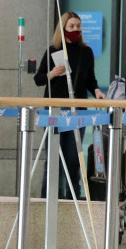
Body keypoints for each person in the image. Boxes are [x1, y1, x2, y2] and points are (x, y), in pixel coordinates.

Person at [34, 11, 104, 199]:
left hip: (77, 110)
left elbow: (90, 79)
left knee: (74, 158)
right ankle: (48, 197)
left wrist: (96, 90)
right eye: (72, 26)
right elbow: (38, 79)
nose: (76, 30)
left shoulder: (86, 52)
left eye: (79, 27)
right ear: (63, 28)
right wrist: (52, 73)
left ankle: (73, 196)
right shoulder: (53, 51)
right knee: (54, 158)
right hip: (55, 110)